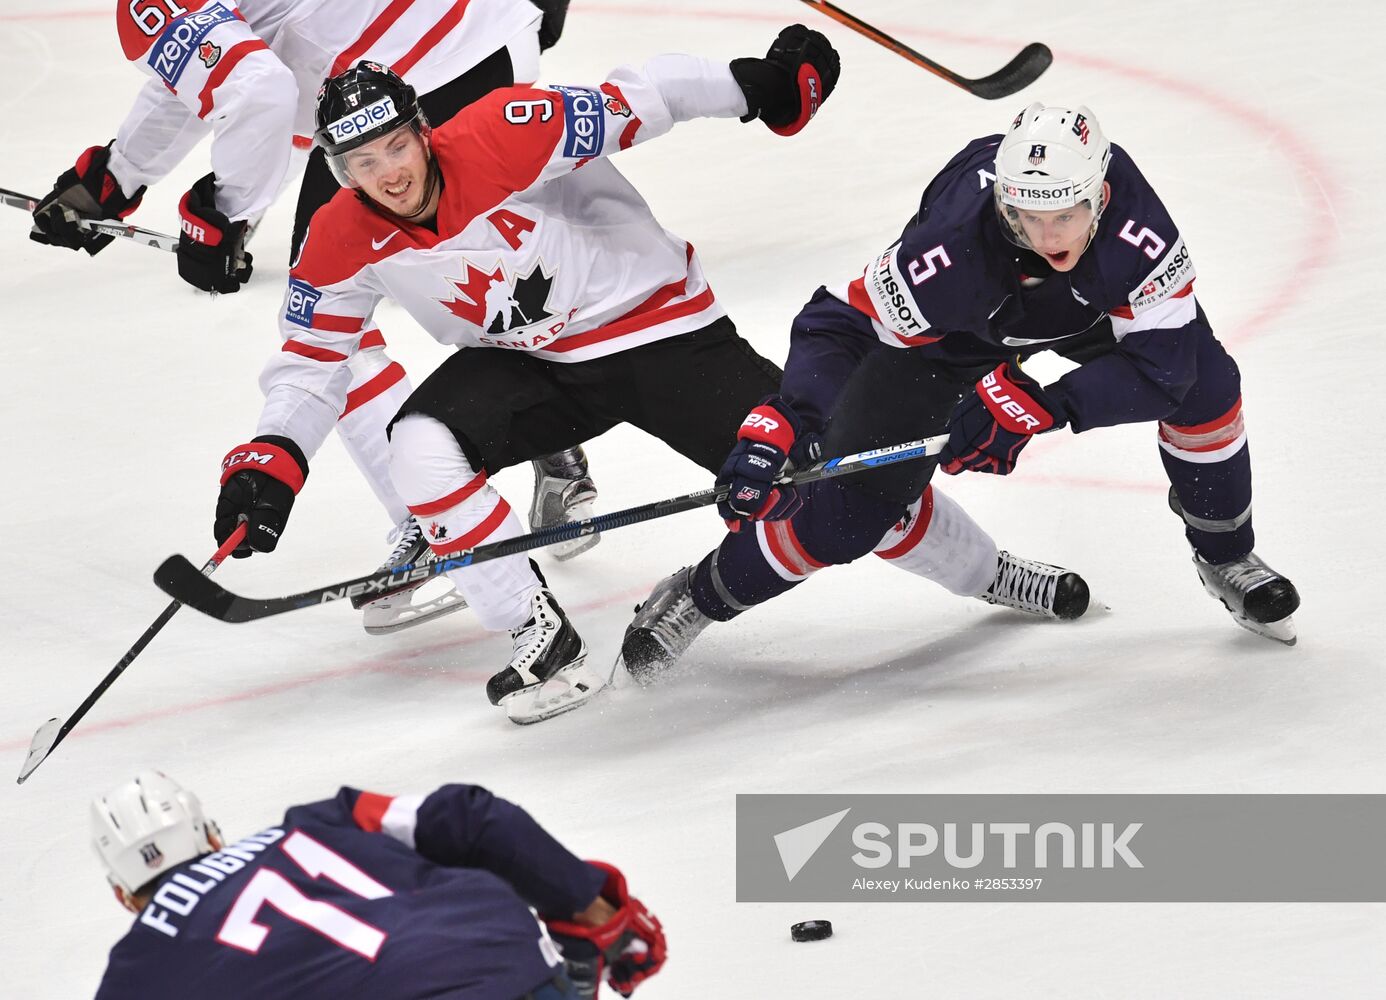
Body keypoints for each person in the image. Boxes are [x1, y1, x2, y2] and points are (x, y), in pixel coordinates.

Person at [208, 31, 1087, 724]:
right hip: (534, 366)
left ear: (420, 130)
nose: (388, 173)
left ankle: (987, 571)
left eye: (396, 145)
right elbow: (312, 364)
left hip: (664, 335)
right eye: (361, 164)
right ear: (336, 171)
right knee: (420, 448)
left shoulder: (507, 132)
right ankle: (538, 635)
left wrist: (759, 86)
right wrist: (271, 457)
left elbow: (646, 96)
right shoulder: (338, 234)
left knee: (834, 481)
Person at [618, 101, 1300, 681]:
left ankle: (1227, 555)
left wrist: (1040, 404)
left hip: (1091, 313)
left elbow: (1165, 369)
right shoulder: (948, 249)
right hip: (955, 334)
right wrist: (787, 417)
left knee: (1209, 387)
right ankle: (700, 595)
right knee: (845, 514)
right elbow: (841, 323)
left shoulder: (1137, 230)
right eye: (1026, 215)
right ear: (1002, 199)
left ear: (1102, 194)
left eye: (1066, 214)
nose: (1046, 235)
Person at [28, 0, 595, 633]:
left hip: (412, 83)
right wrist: (117, 176)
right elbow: (200, 71)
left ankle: (438, 522)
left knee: (328, 320)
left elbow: (256, 85)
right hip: (482, 38)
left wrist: (226, 213)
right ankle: (553, 452)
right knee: (473, 270)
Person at [91, 769, 665, 999]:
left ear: (123, 895)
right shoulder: (319, 820)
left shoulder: (135, 968)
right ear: (213, 837)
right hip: (505, 952)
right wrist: (587, 904)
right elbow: (474, 818)